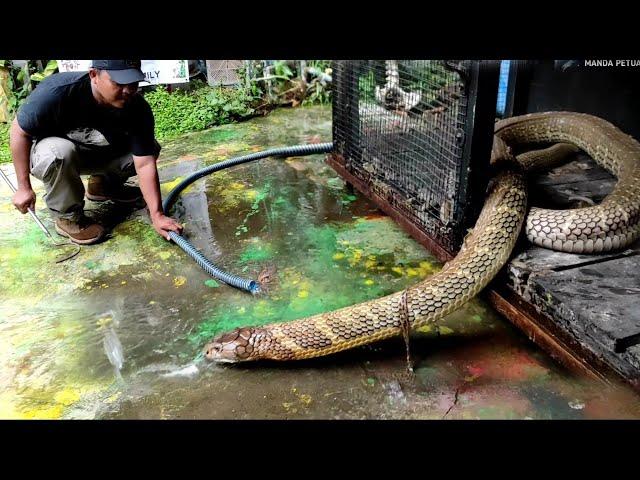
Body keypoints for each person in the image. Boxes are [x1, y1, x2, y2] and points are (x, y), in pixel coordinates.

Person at [9, 59, 183, 244]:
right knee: (59, 152)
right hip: (51, 154)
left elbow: (145, 162)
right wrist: (23, 187)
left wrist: (157, 215)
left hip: (90, 151)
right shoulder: (57, 92)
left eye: (133, 83)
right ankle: (68, 217)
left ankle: (103, 187)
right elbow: (19, 132)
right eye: (119, 83)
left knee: (148, 148)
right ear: (94, 75)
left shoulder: (136, 107)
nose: (128, 90)